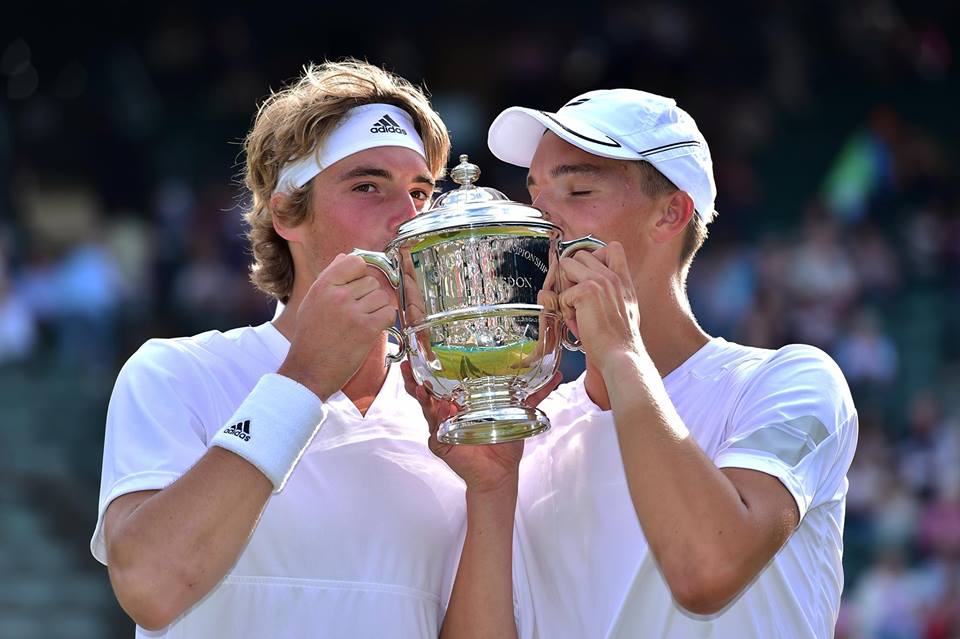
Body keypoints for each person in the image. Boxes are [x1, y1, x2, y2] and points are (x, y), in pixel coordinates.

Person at [412, 89, 858, 638]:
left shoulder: (788, 381)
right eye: (536, 196)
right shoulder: (529, 429)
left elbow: (706, 571)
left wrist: (620, 350)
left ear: (671, 213)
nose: (542, 224)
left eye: (577, 190)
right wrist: (492, 491)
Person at [91, 60, 468, 638]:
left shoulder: (456, 409)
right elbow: (151, 586)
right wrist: (306, 377)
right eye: (368, 186)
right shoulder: (175, 371)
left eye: (421, 192)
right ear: (288, 211)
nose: (408, 219)